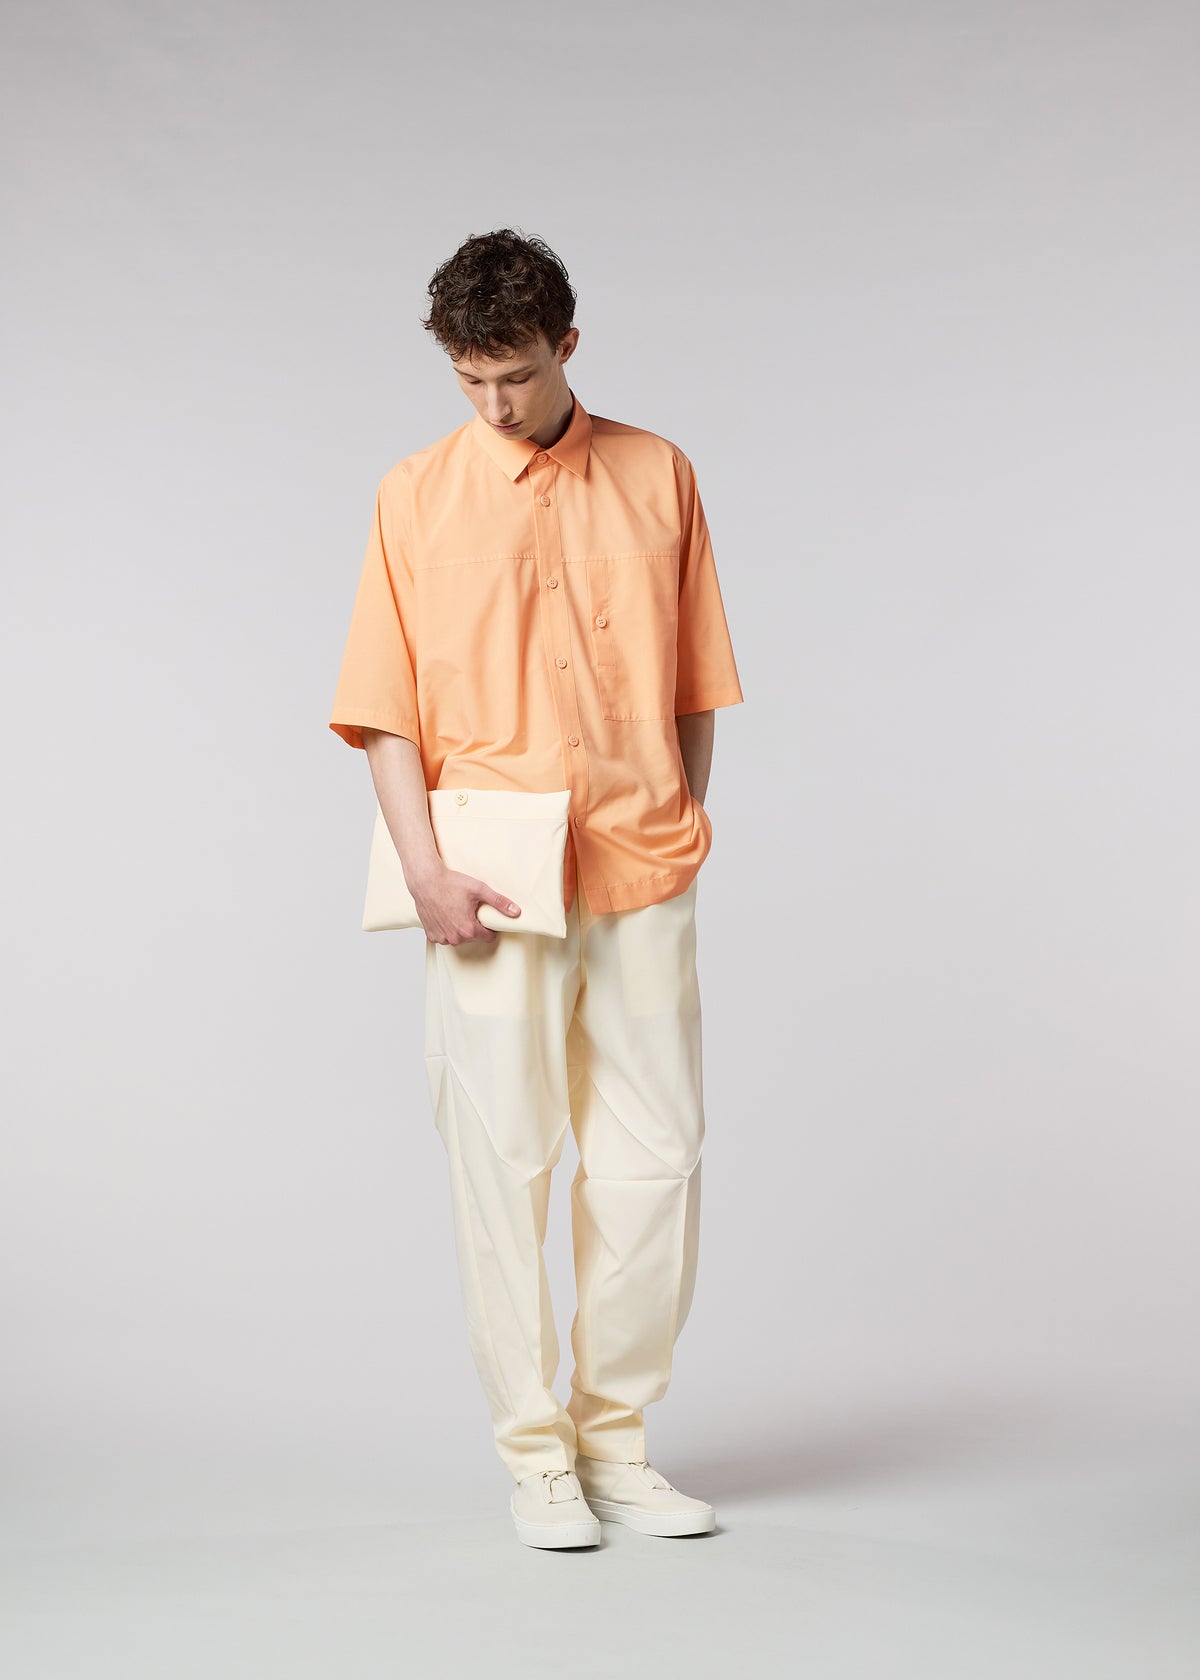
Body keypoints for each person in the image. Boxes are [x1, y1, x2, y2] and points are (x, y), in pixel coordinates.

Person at [328, 229, 744, 1549]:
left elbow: (695, 677)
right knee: (501, 1163)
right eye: (470, 380)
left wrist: (683, 815)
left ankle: (617, 1442)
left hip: (639, 859)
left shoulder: (659, 473)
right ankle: (536, 1456)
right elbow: (385, 706)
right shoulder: (412, 494)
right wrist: (425, 870)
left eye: (515, 374)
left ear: (567, 345)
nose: (495, 405)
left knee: (654, 1162)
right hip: (487, 877)